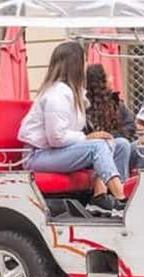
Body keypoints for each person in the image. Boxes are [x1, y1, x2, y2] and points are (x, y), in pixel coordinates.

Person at [17, 42, 130, 216]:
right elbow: (56, 138)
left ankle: (99, 198)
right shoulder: (57, 94)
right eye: (84, 61)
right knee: (98, 146)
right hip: (37, 156)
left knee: (116, 143)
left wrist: (92, 138)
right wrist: (87, 138)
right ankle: (121, 200)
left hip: (53, 152)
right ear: (75, 65)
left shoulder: (74, 93)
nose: (86, 66)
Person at [85, 63, 144, 171]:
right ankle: (121, 186)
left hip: (120, 145)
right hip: (100, 152)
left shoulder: (116, 102)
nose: (113, 78)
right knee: (123, 144)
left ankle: (143, 185)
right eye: (108, 77)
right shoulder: (86, 106)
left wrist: (112, 136)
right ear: (100, 82)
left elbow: (130, 125)